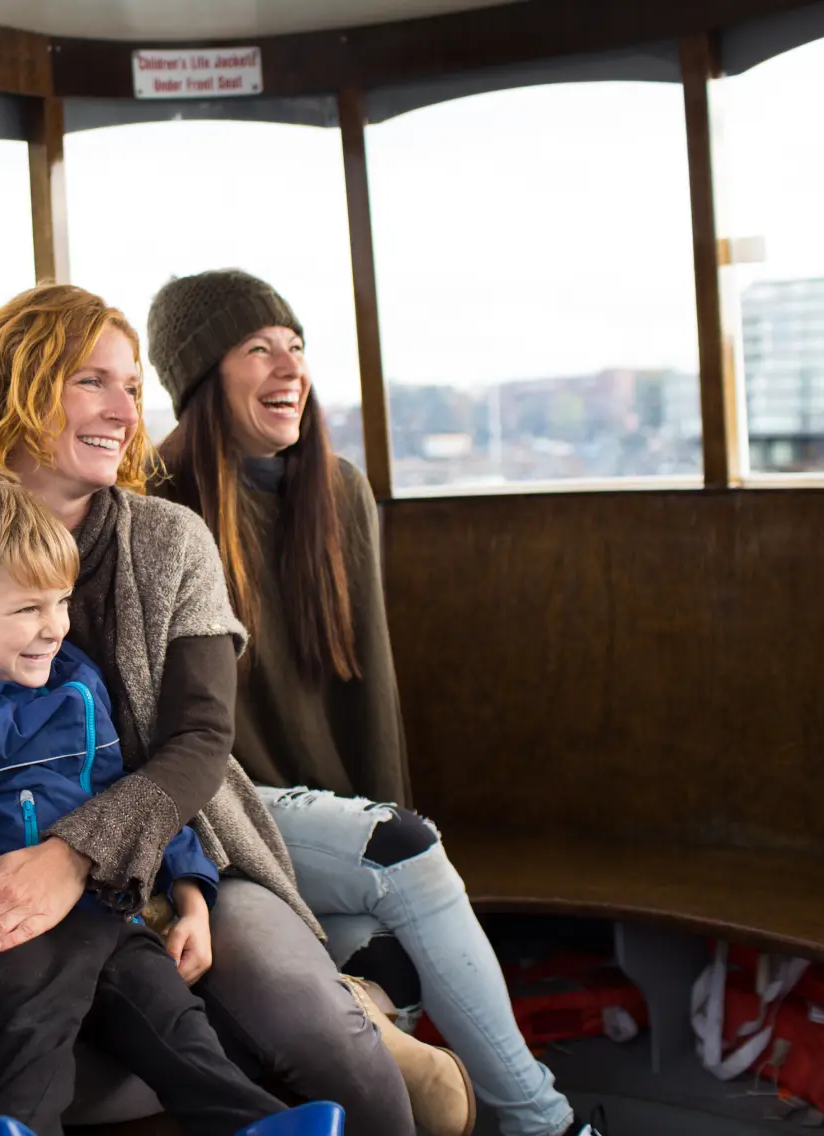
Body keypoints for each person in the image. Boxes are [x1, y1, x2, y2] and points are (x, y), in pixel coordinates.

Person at [0, 284, 470, 1135]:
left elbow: (198, 742)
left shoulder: (171, 538)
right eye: (92, 383)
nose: (124, 410)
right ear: (20, 390)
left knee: (324, 1038)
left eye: (133, 387)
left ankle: (366, 1032)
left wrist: (84, 856)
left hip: (190, 845)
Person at [141, 269, 604, 1136]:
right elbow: (5, 531)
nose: (289, 365)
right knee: (405, 859)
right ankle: (543, 1124)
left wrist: (382, 822)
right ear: (201, 378)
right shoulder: (148, 502)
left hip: (312, 821)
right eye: (257, 348)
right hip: (218, 807)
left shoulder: (336, 489)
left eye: (296, 345)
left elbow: (368, 691)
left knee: (391, 935)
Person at [0, 471, 292, 1136]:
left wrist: (190, 887)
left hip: (105, 914)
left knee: (174, 1022)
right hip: (5, 941)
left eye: (60, 603)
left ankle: (257, 1125)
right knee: (31, 1037)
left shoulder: (72, 682)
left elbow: (122, 792)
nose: (52, 629)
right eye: (26, 610)